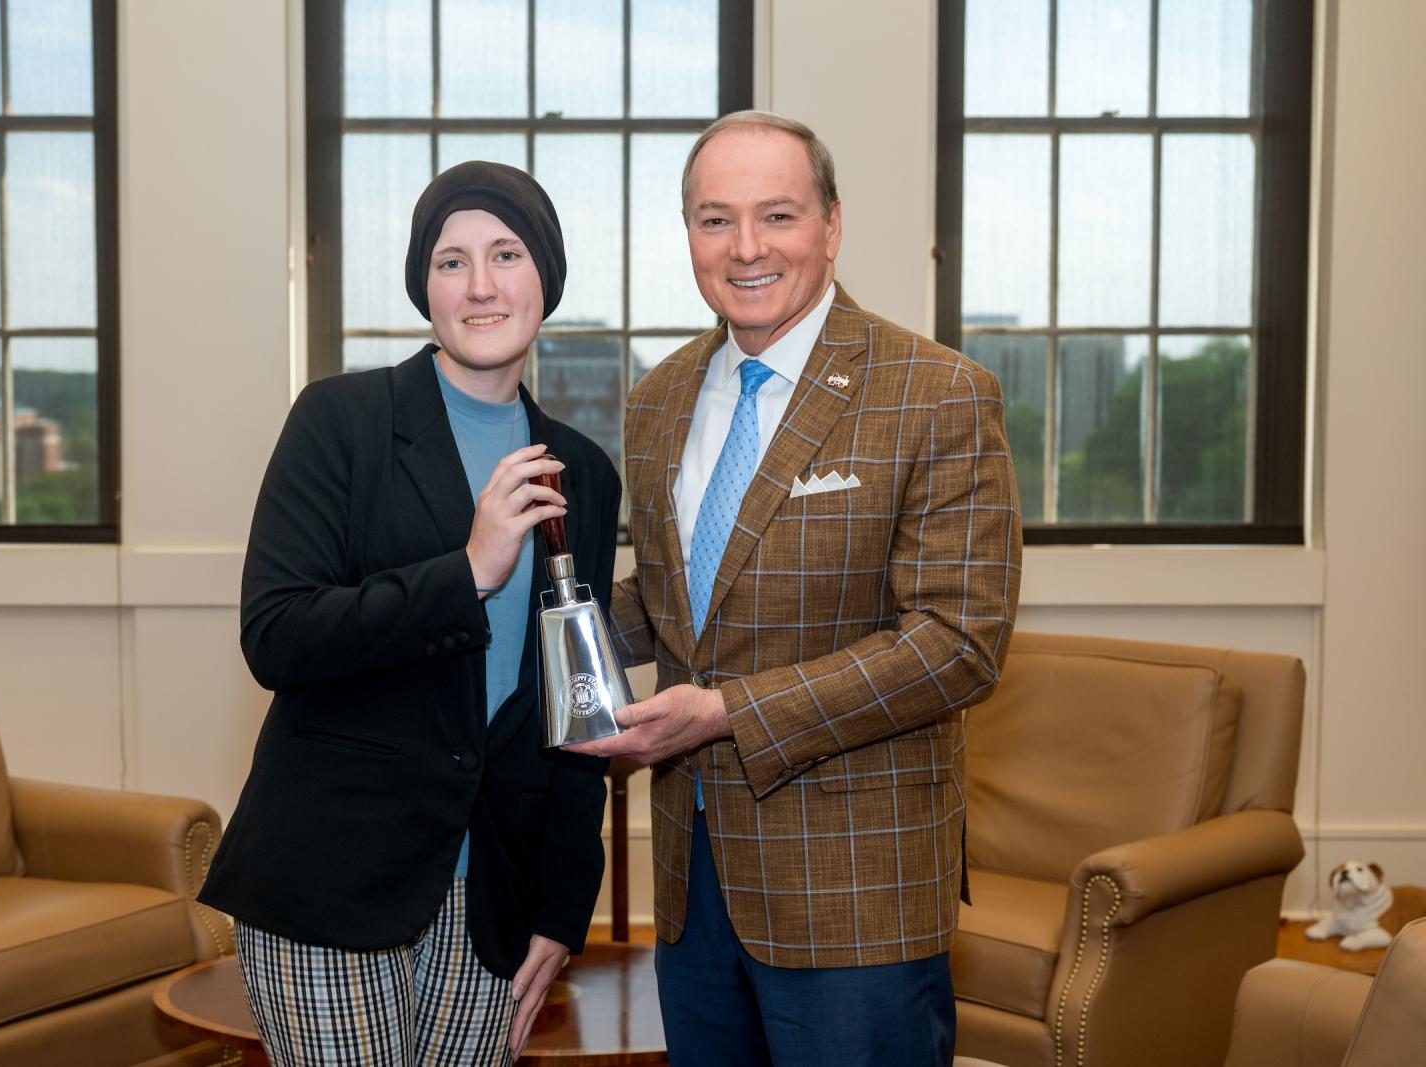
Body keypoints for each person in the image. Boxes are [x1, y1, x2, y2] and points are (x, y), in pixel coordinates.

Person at [571, 111, 1023, 1064]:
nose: (745, 249)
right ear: (686, 232)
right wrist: (520, 627)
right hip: (693, 885)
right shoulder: (659, 397)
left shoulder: (937, 391)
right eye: (714, 219)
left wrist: (729, 710)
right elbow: (673, 599)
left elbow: (957, 642)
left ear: (832, 223)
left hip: (858, 890)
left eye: (777, 215)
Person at [200, 161, 620, 1066]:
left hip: (495, 903)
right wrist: (466, 570)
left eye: (506, 254)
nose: (479, 286)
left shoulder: (581, 472)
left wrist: (562, 905)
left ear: (544, 275)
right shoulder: (340, 421)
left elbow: (579, 711)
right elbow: (276, 632)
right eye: (450, 260)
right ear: (422, 285)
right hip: (331, 881)